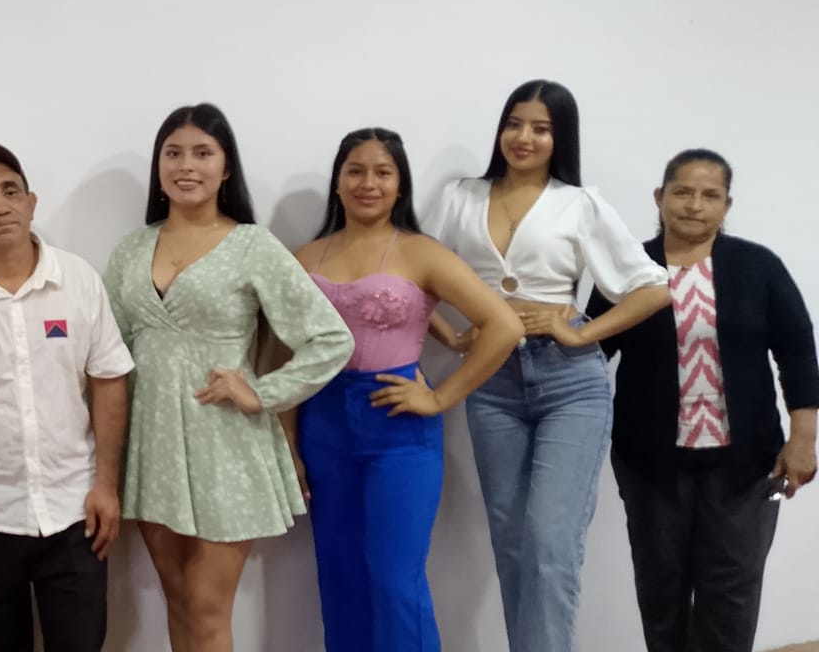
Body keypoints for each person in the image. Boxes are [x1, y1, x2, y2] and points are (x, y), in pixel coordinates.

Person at [426, 79, 670, 652]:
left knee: (549, 542)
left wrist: (579, 330)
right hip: (492, 381)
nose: (524, 137)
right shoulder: (461, 197)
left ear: (561, 137)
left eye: (541, 128)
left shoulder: (580, 203)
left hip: (569, 382)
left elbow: (653, 288)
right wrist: (452, 335)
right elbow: (415, 272)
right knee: (513, 543)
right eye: (514, 124)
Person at [103, 102, 354, 652]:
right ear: (158, 167)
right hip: (151, 446)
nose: (186, 165)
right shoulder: (132, 249)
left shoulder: (252, 245)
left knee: (207, 607)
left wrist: (261, 392)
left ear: (225, 168)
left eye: (202, 153)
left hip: (226, 445)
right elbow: (107, 352)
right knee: (178, 600)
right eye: (173, 153)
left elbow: (332, 339)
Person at [286, 128, 521, 652]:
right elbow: (285, 356)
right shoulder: (305, 258)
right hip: (322, 426)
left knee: (395, 580)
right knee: (340, 575)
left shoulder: (421, 252)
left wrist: (439, 398)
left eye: (382, 172)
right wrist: (289, 442)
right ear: (338, 181)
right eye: (355, 171)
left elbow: (503, 325)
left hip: (399, 430)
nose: (368, 183)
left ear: (400, 184)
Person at [586, 149, 818, 652]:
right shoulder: (629, 268)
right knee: (660, 586)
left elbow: (799, 354)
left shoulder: (758, 267)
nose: (695, 205)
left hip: (749, 464)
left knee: (732, 590)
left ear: (726, 205)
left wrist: (803, 440)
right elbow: (590, 355)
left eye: (710, 195)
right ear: (659, 197)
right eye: (683, 192)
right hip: (650, 464)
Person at [0, 143, 134, 652]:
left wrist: (107, 485)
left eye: (11, 191)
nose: (0, 206)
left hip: (74, 511)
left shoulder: (77, 279)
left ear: (31, 202)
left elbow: (108, 380)